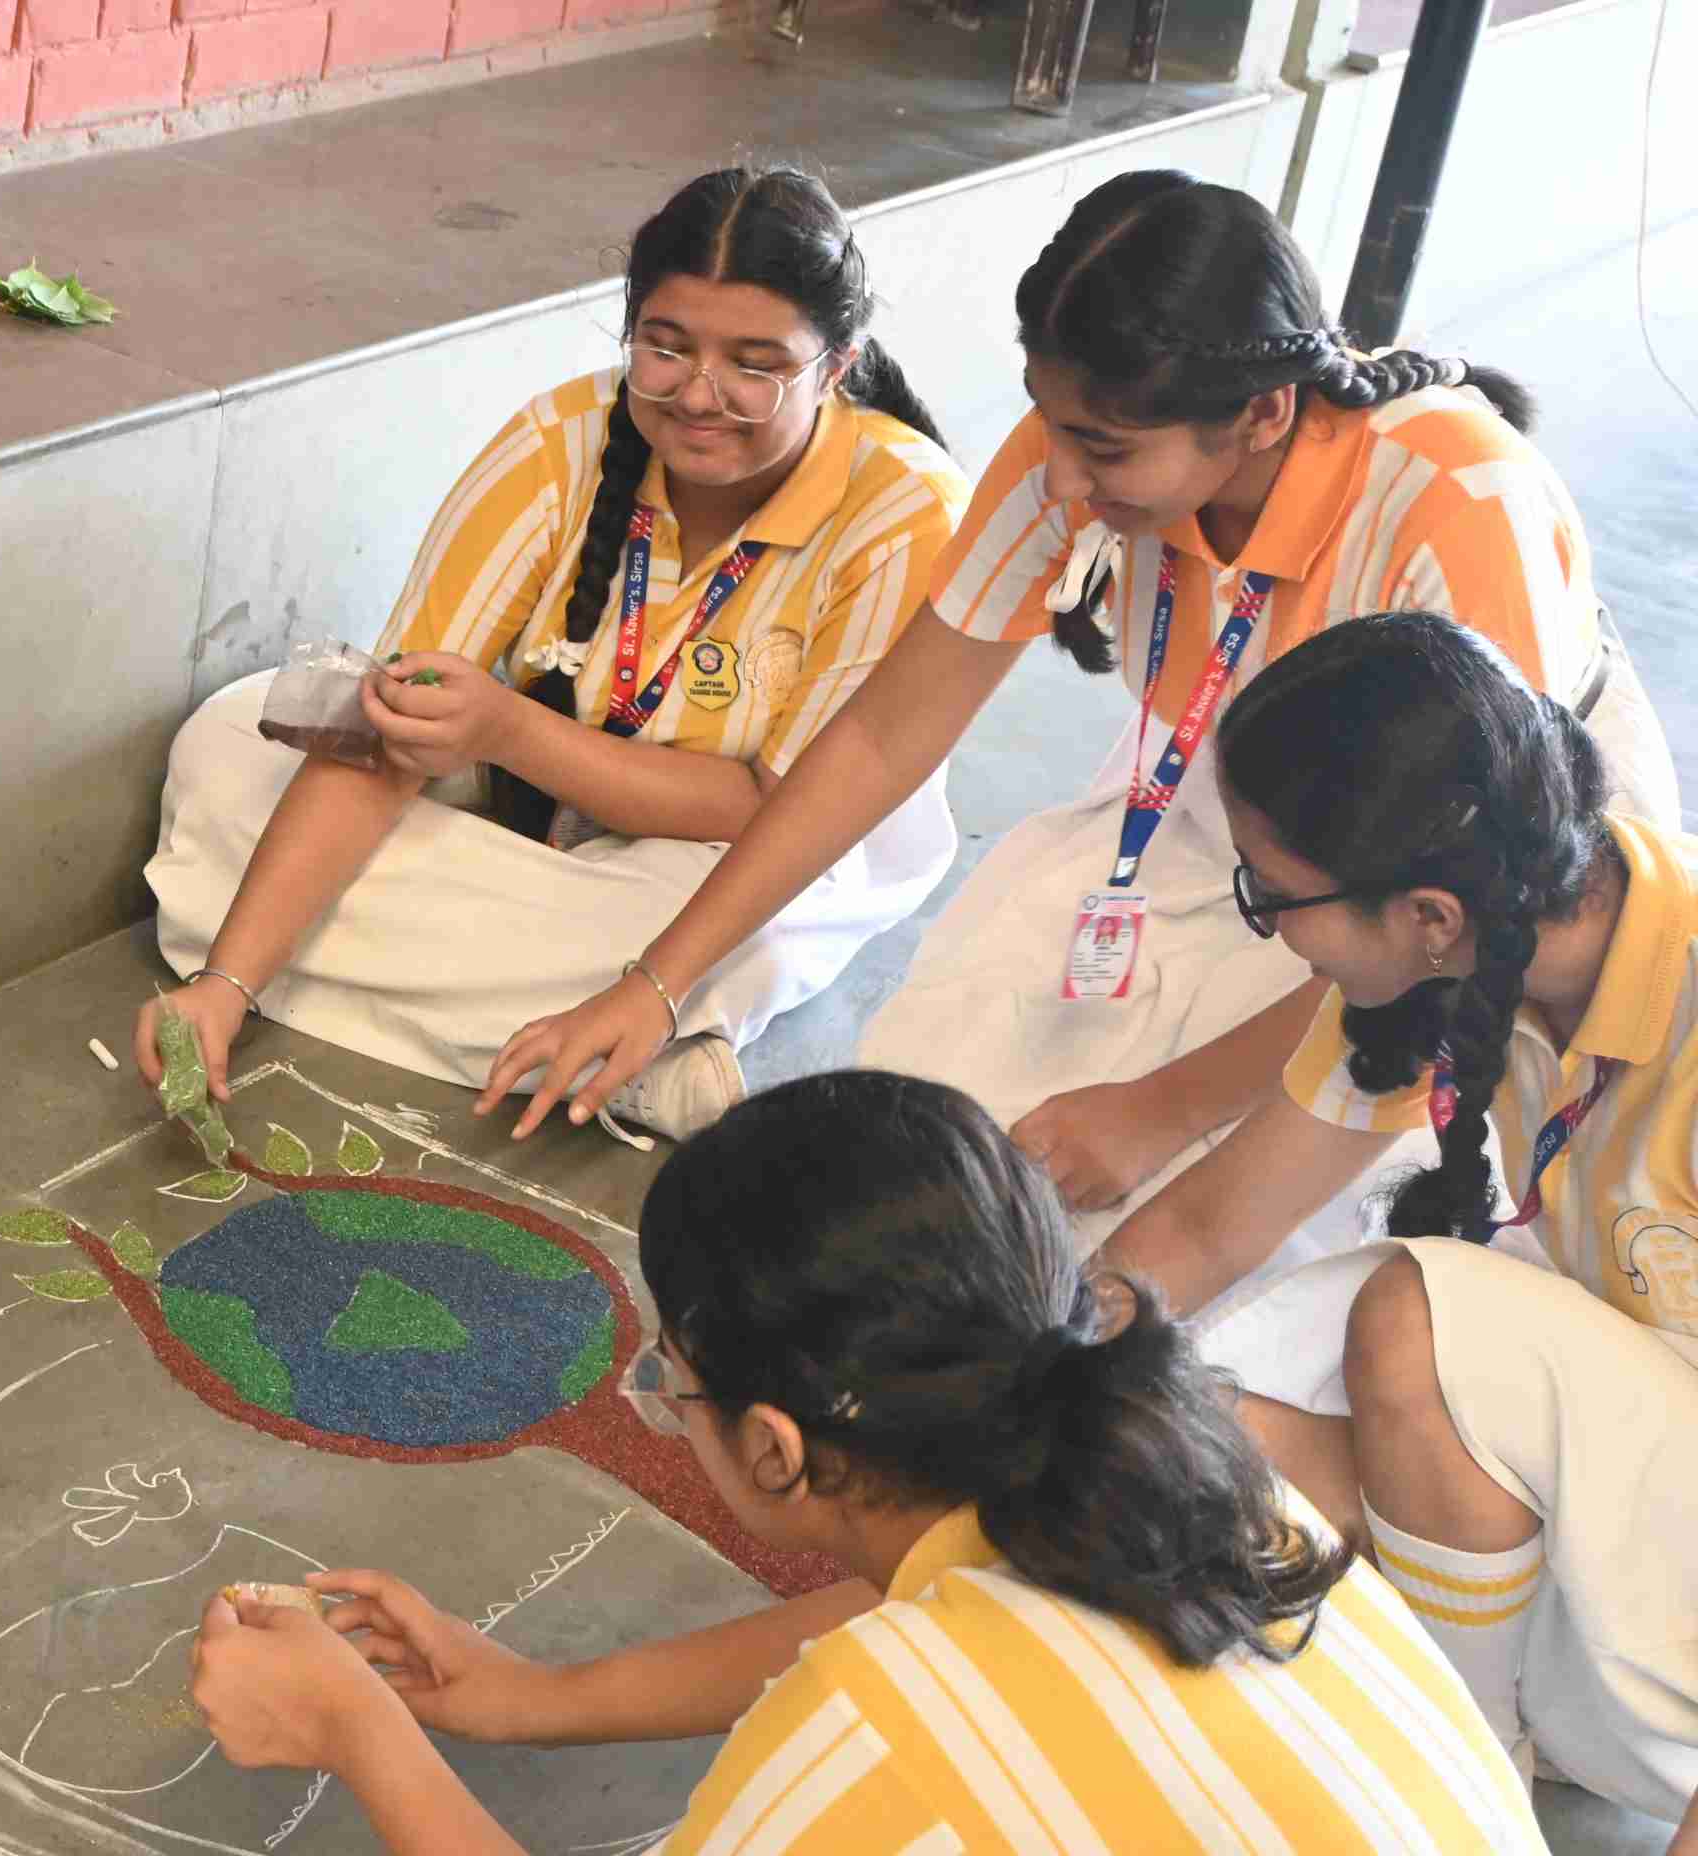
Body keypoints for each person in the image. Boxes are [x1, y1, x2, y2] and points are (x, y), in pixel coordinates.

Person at [477, 170, 1674, 1251]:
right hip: (1225, 821)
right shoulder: (1086, 437)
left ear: (1260, 416)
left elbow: (1436, 943)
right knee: (925, 1132)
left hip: (1451, 903)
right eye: (1050, 424)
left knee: (1241, 1244)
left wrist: (1163, 1108)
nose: (1059, 481)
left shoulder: (1462, 506)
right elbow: (887, 735)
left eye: (1100, 450)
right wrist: (661, 982)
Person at [186, 1071, 1545, 1853]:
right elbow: (921, 1621)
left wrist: (354, 1731)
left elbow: (899, 1681)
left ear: (773, 1450)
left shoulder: (881, 1717)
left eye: (672, 1383)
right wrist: (534, 1696)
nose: (658, 1399)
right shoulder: (1216, 1487)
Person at [138, 166, 968, 1138]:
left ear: (835, 368)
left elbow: (778, 805)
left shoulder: (907, 510)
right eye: (666, 347)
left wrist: (506, 731)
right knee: (229, 740)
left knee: (727, 925)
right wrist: (225, 983)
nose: (701, 394)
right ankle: (611, 1051)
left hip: (747, 856)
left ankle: (617, 1013)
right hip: (543, 814)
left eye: (756, 364)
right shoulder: (558, 441)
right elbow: (385, 733)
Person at [1098, 613, 1698, 1833]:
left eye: (1273, 894)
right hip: (1646, 1534)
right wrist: (1022, 1369)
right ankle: (1478, 1755)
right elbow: (1214, 1222)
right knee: (1178, 1430)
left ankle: (1454, 1789)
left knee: (1424, 1315)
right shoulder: (1468, 952)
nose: (1266, 918)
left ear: (1427, 911)